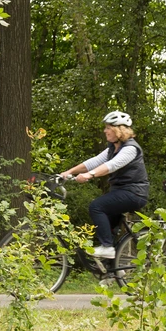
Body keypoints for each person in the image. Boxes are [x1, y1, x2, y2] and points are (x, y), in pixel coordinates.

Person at [57, 111, 148, 259]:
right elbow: (94, 161)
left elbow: (111, 165)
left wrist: (90, 174)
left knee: (97, 206)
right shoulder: (113, 148)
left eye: (108, 127)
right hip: (120, 192)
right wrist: (68, 172)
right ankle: (114, 270)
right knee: (108, 229)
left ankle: (107, 248)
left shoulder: (131, 148)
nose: (105, 131)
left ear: (119, 130)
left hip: (134, 193)